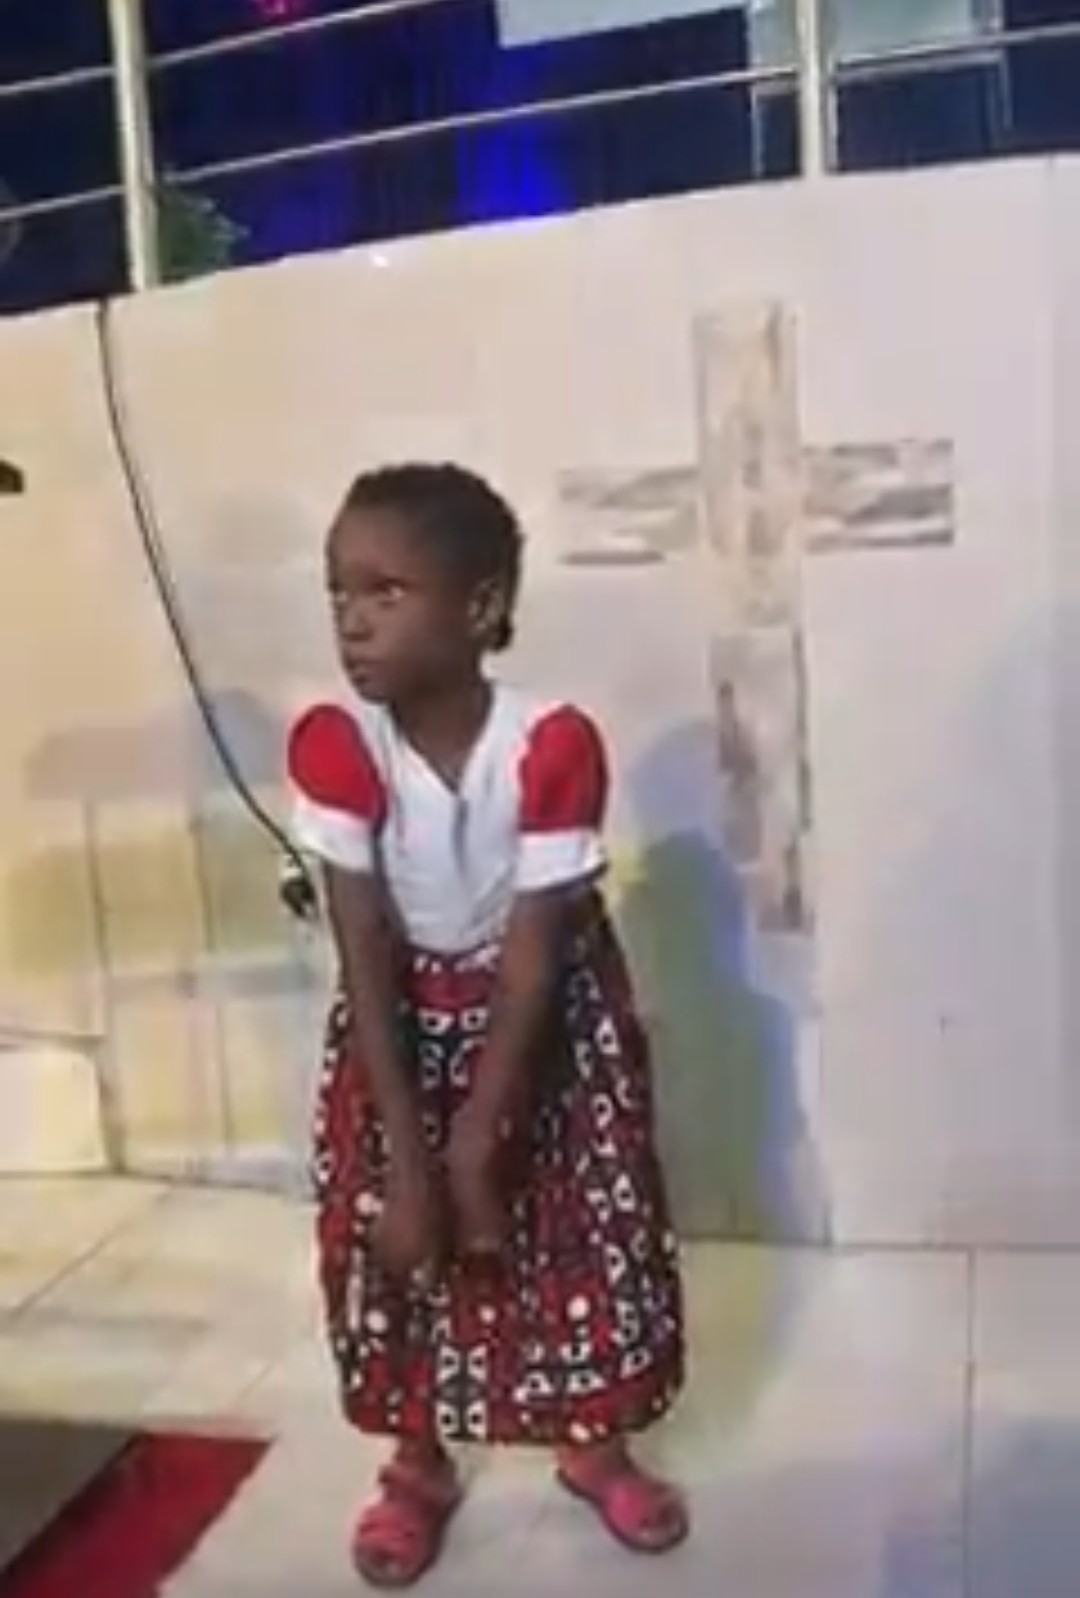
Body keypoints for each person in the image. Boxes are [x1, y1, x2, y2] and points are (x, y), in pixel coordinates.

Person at [286, 462, 687, 1587]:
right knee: (397, 1237)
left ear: (481, 607)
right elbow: (364, 948)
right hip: (399, 1031)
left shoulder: (550, 743)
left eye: (386, 592)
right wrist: (419, 1162)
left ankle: (590, 1439)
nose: (353, 622)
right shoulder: (339, 746)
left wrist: (479, 1149)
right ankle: (418, 1463)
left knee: (568, 1232)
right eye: (339, 593)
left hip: (542, 1025)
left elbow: (534, 955)